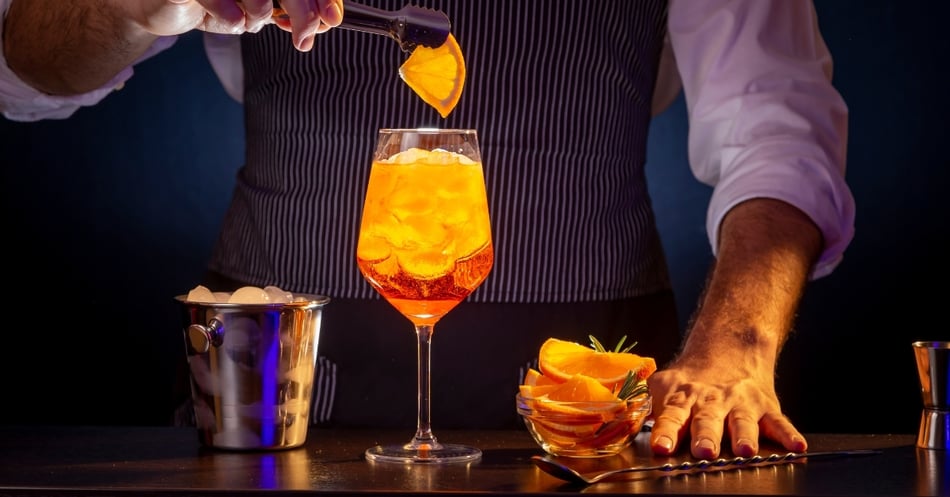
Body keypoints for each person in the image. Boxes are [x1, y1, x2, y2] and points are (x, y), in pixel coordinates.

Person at [0, 0, 854, 460]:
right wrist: (140, 3)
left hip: (594, 400)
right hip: (269, 379)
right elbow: (22, 69)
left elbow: (778, 130)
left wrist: (735, 347)